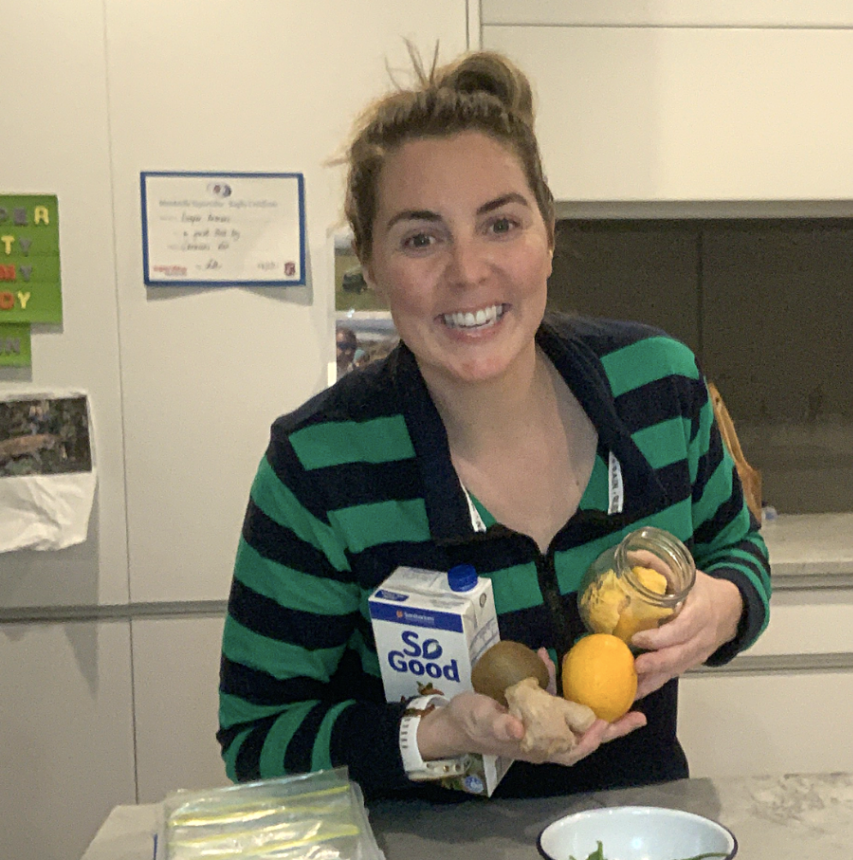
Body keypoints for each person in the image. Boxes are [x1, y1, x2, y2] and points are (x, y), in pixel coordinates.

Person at [218, 49, 771, 798]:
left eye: (500, 224)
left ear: (548, 234)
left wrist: (726, 604)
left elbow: (739, 548)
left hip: (639, 850)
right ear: (372, 265)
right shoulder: (319, 464)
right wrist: (433, 733)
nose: (468, 271)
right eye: (421, 237)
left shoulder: (660, 388)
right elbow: (257, 740)